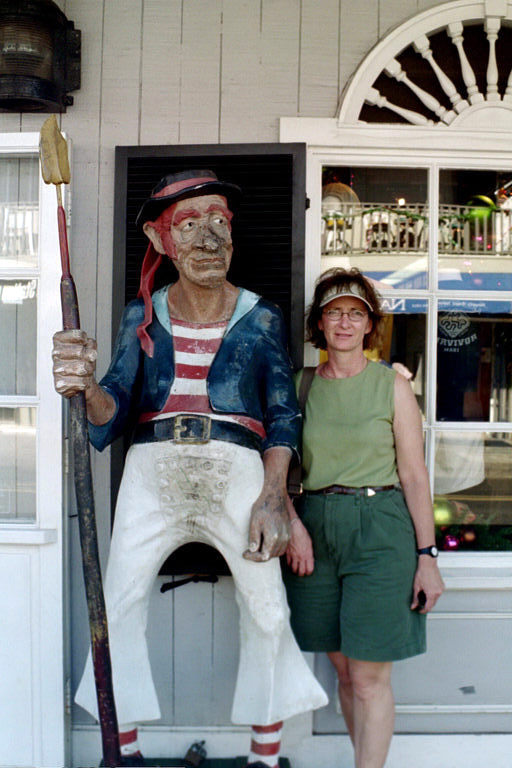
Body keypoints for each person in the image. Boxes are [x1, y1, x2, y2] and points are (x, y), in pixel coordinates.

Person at [52, 170, 327, 767]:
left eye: (220, 221)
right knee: (119, 601)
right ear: (160, 239)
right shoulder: (142, 315)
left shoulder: (260, 317)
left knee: (267, 607)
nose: (210, 237)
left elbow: (283, 414)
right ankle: (122, 751)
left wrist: (274, 494)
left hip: (238, 467)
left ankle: (265, 755)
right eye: (190, 223)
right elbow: (112, 409)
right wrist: (85, 385)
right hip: (153, 468)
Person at [284, 267, 444, 768]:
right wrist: (292, 523)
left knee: (371, 677)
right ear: (320, 323)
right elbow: (276, 467)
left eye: (356, 313)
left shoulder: (391, 386)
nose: (345, 323)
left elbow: (414, 476)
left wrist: (427, 556)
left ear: (370, 324)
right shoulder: (301, 386)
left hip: (380, 527)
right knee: (345, 671)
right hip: (315, 528)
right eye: (334, 313)